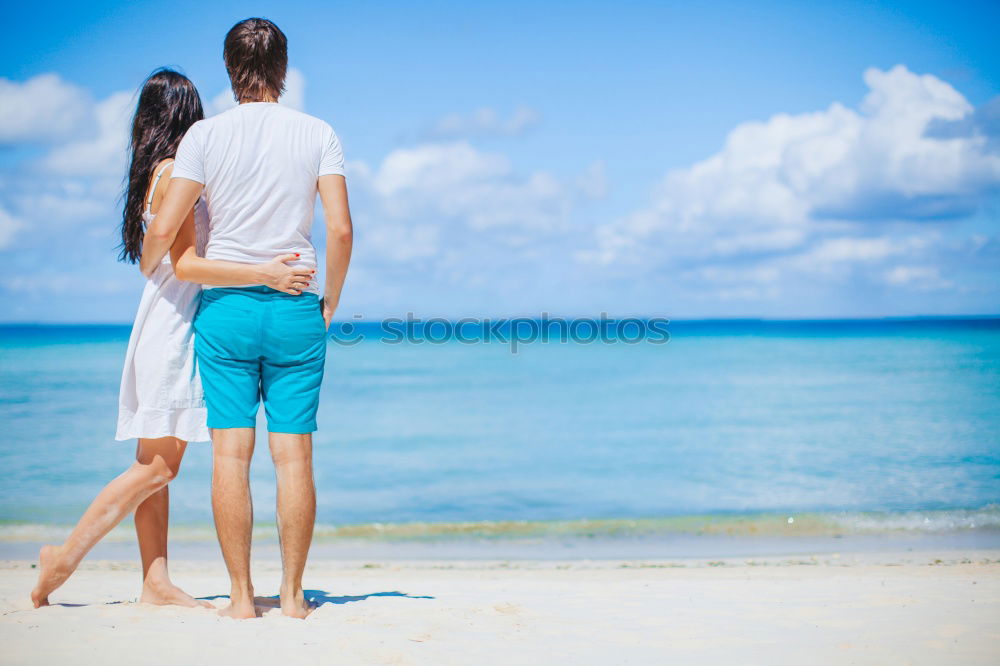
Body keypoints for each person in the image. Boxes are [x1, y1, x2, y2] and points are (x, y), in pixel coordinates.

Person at [30, 69, 313, 609]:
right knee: (159, 467)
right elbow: (182, 262)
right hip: (175, 325)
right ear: (184, 117)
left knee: (153, 463)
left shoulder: (156, 171)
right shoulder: (171, 172)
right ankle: (62, 557)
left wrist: (154, 257)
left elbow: (165, 248)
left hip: (165, 318)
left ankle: (154, 582)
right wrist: (264, 273)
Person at [142, 18, 354, 619]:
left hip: (227, 311)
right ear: (283, 70)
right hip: (296, 305)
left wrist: (151, 259)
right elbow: (339, 228)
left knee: (231, 456)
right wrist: (331, 298)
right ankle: (290, 598)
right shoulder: (318, 133)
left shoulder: (203, 138)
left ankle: (239, 598)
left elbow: (164, 229)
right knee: (294, 457)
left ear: (230, 69)